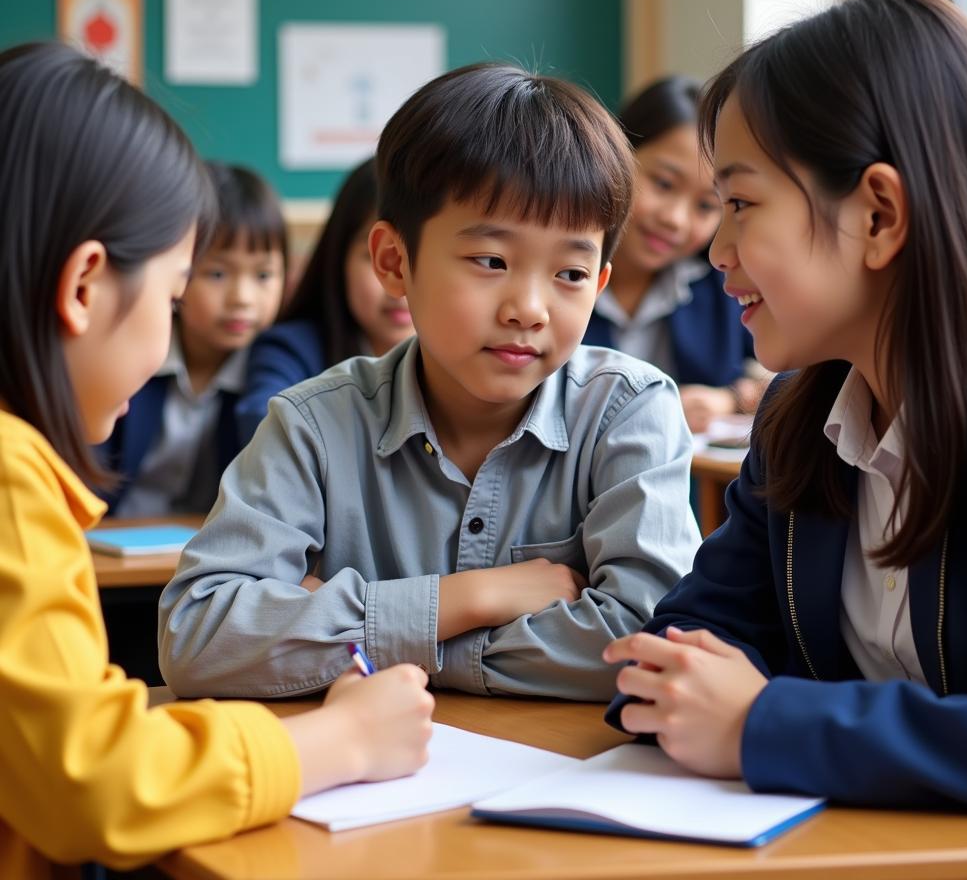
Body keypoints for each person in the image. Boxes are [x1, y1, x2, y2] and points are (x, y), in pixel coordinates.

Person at [0, 42, 433, 877]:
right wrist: (338, 739)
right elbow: (93, 781)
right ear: (86, 287)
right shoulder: (11, 479)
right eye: (170, 296)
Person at [604, 0, 967, 811]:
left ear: (878, 214)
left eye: (740, 204)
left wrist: (764, 723)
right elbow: (672, 652)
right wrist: (687, 694)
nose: (716, 249)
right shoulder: (799, 418)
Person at [158, 63, 701, 702]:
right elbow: (199, 636)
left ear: (599, 284)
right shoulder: (313, 424)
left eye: (571, 274)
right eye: (491, 261)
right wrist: (469, 599)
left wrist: (379, 639)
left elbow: (650, 640)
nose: (530, 307)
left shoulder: (629, 412)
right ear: (394, 262)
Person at [100, 161, 287, 517]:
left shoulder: (274, 367)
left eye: (263, 274)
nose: (242, 298)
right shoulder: (131, 356)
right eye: (217, 273)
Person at [584, 75, 766, 433]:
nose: (675, 220)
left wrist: (729, 399)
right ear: (615, 156)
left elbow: (796, 373)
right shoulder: (557, 272)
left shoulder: (725, 284)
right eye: (664, 184)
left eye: (705, 205)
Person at [236, 157, 414, 444]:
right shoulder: (291, 350)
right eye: (378, 259)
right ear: (338, 257)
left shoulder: (468, 361)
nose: (399, 283)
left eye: (419, 258)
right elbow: (265, 427)